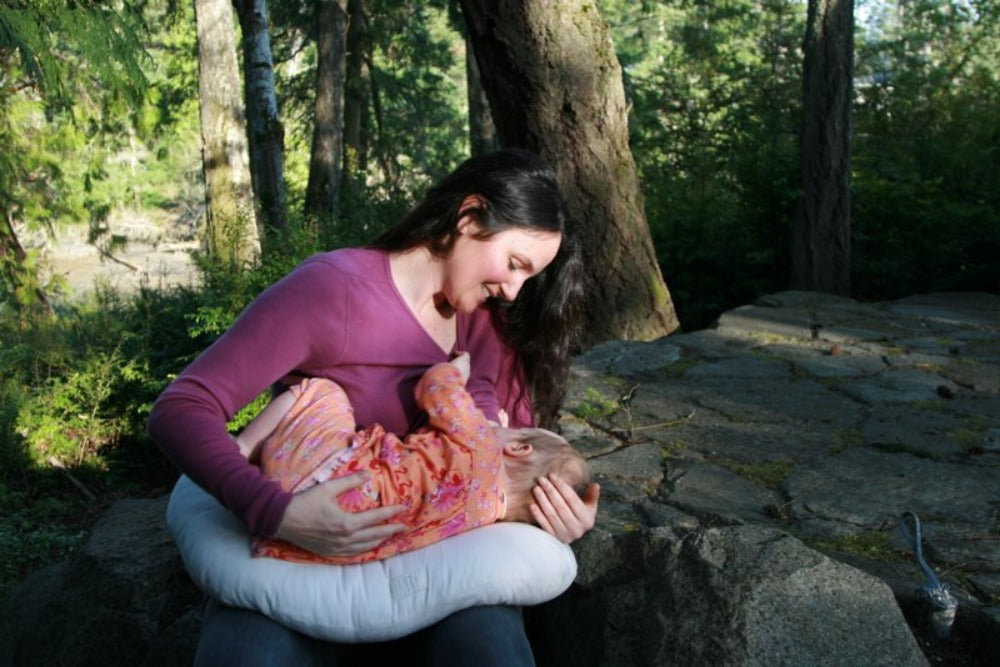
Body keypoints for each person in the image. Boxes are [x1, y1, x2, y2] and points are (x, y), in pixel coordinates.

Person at [147, 148, 600, 665]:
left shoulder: (487, 324)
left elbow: (511, 458)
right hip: (303, 568)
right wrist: (277, 513)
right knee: (248, 656)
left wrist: (553, 515)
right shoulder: (332, 292)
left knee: (488, 651)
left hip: (433, 582)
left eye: (528, 277)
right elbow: (181, 407)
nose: (514, 292)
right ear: (470, 216)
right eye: (515, 264)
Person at [236, 353, 591, 565]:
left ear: (517, 448)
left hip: (324, 476)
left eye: (513, 431)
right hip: (324, 540)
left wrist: (459, 369)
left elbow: (435, 385)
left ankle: (241, 450)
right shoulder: (479, 519)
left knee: (321, 391)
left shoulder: (481, 446)